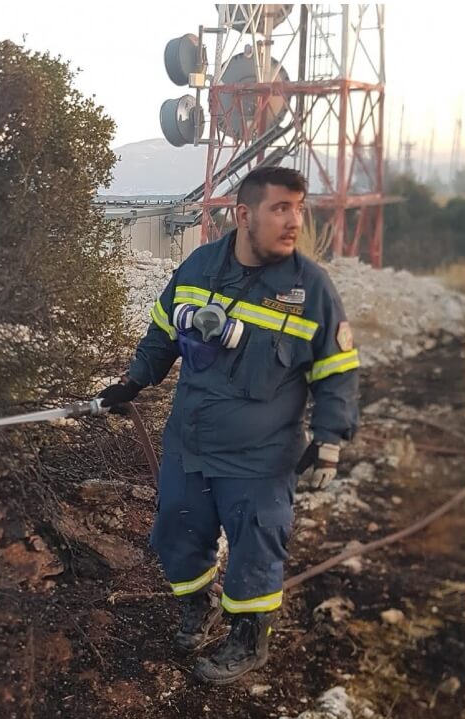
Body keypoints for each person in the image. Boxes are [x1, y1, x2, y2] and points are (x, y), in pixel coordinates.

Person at [97, 166, 359, 686]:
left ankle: (248, 639)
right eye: (279, 209)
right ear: (243, 215)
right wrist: (134, 379)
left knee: (256, 545)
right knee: (176, 530)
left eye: (299, 209)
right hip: (190, 442)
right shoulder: (198, 268)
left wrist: (330, 439)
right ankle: (199, 604)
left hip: (262, 455)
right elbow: (164, 332)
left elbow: (336, 369)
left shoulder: (311, 290)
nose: (293, 221)